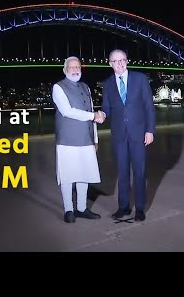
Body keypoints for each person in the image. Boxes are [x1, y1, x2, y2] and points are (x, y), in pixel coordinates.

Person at [101, 49, 155, 222]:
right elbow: (107, 108)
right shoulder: (107, 83)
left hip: (139, 134)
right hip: (119, 135)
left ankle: (140, 208)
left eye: (123, 59)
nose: (120, 63)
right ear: (110, 64)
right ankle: (123, 207)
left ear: (127, 61)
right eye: (116, 61)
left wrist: (150, 130)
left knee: (139, 172)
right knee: (122, 172)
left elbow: (148, 106)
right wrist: (101, 115)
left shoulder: (140, 79)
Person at [52, 56, 105, 223]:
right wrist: (93, 116)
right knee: (68, 176)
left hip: (85, 139)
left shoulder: (85, 87)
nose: (75, 70)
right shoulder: (58, 87)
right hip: (67, 139)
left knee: (84, 174)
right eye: (71, 67)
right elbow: (67, 111)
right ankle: (69, 210)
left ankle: (81, 208)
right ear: (65, 70)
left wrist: (95, 139)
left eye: (77, 67)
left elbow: (91, 110)